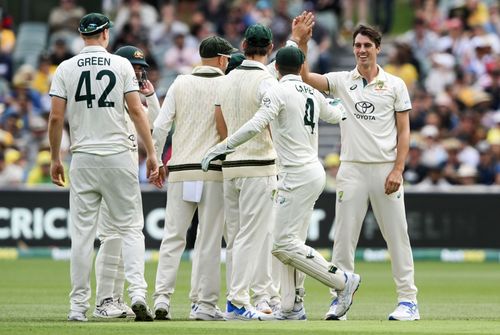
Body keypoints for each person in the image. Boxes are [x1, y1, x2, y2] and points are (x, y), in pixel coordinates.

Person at [202, 46, 360, 321]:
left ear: (276, 69)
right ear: (301, 68)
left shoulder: (277, 91)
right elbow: (338, 113)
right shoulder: (312, 92)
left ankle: (342, 281)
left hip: (296, 175)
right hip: (313, 171)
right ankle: (292, 306)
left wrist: (221, 148)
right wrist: (343, 102)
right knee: (291, 243)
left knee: (281, 244)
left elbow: (255, 125)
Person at [302, 24, 419, 321]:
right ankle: (339, 299)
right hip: (351, 168)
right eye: (357, 45)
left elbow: (404, 131)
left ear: (378, 48)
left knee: (397, 237)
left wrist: (398, 169)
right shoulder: (342, 80)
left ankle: (408, 302)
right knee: (343, 239)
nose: (362, 50)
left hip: (385, 170)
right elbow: (303, 77)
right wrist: (302, 43)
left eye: (367, 45)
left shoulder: (394, 84)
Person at [48, 13, 158, 322]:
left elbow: (56, 118)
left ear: (82, 36)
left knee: (82, 236)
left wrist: (56, 157)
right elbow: (137, 111)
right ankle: (137, 292)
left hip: (82, 157)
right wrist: (151, 153)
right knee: (131, 228)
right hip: (118, 155)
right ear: (106, 34)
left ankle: (77, 308)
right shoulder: (121, 65)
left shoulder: (65, 68)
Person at [151, 35, 237, 321]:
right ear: (223, 60)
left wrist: (156, 161)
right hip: (212, 171)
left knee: (173, 237)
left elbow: (161, 126)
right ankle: (203, 304)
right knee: (208, 239)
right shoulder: (228, 83)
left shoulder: (180, 82)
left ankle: (161, 300)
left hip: (180, 170)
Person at [92, 45, 161, 319]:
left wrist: (152, 96)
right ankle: (104, 301)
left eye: (139, 68)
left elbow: (155, 123)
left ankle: (114, 300)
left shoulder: (135, 98)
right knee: (113, 236)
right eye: (132, 68)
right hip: (110, 173)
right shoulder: (109, 99)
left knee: (120, 238)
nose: (136, 73)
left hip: (125, 175)